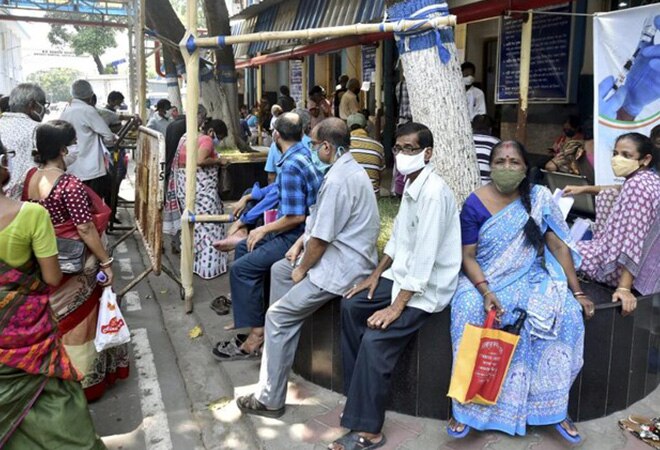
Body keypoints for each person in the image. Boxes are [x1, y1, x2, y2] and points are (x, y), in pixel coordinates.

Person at [447, 140, 593, 444]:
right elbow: (468, 256)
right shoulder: (475, 202)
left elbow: (557, 245)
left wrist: (577, 293)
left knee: (565, 314)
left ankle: (554, 408)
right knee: (468, 310)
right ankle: (464, 408)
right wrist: (485, 290)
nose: (506, 167)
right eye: (499, 162)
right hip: (483, 278)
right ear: (490, 167)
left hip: (529, 274)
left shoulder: (538, 198)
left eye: (514, 162)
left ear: (526, 169)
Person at [329, 123, 462, 450]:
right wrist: (376, 274)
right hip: (402, 278)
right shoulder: (412, 186)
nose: (402, 155)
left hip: (427, 290)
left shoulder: (433, 192)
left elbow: (425, 259)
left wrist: (396, 306)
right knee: (351, 305)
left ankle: (369, 430)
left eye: (410, 149)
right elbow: (400, 239)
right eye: (398, 149)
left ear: (428, 153)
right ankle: (356, 396)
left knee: (376, 340)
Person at [236, 118, 380, 418]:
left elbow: (322, 239)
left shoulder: (340, 180)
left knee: (276, 316)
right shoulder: (344, 170)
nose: (311, 149)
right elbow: (316, 223)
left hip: (343, 269)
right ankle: (277, 357)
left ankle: (270, 399)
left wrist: (302, 269)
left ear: (327, 146)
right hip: (336, 258)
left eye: (314, 144)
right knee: (279, 270)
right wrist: (299, 244)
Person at [0, 140, 107, 449]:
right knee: (55, 397)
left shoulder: (36, 183)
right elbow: (52, 276)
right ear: (4, 167)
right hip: (26, 329)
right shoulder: (30, 215)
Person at [23, 120, 128, 402]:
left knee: (54, 319)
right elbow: (84, 228)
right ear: (61, 149)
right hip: (75, 264)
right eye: (71, 144)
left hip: (43, 260)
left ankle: (54, 376)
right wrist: (105, 261)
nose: (74, 150)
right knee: (81, 320)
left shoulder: (31, 177)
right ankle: (82, 380)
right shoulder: (69, 185)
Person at [213, 113, 323, 360]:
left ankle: (257, 335)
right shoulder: (301, 156)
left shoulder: (293, 165)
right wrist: (251, 206)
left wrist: (262, 229)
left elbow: (295, 217)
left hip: (295, 235)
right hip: (293, 228)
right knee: (244, 250)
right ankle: (252, 318)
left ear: (276, 135)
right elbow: (276, 192)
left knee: (241, 269)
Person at [564, 132, 660, 310]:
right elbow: (617, 189)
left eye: (626, 155)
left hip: (619, 267)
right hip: (649, 269)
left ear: (645, 159)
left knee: (562, 252)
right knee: (609, 194)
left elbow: (634, 239)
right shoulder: (649, 179)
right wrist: (583, 189)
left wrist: (624, 288)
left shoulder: (637, 186)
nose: (617, 159)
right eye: (615, 153)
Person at [163, 119, 229, 279]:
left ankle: (193, 265)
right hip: (202, 192)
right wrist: (219, 160)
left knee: (195, 227)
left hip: (186, 191)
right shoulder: (206, 140)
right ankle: (208, 267)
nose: (218, 141)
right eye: (219, 137)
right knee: (210, 226)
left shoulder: (186, 137)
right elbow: (199, 161)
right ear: (212, 131)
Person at [60, 79, 117, 206]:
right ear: (91, 95)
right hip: (90, 169)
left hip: (71, 167)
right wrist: (108, 145)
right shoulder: (88, 110)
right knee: (93, 204)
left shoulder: (65, 111)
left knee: (77, 205)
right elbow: (107, 135)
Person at [0, 83, 48, 199]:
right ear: (32, 105)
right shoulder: (38, 129)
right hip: (25, 201)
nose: (45, 109)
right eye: (43, 104)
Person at [164, 103, 207, 195]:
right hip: (177, 169)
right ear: (197, 115)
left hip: (170, 165)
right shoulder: (186, 127)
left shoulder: (174, 124)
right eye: (202, 118)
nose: (202, 122)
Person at [347, 112, 385, 194]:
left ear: (348, 129)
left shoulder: (343, 146)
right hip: (372, 194)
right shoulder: (378, 146)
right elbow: (380, 174)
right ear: (366, 127)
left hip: (349, 193)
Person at [472, 114, 500, 185]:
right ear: (490, 129)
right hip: (486, 188)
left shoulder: (465, 140)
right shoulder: (497, 143)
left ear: (472, 127)